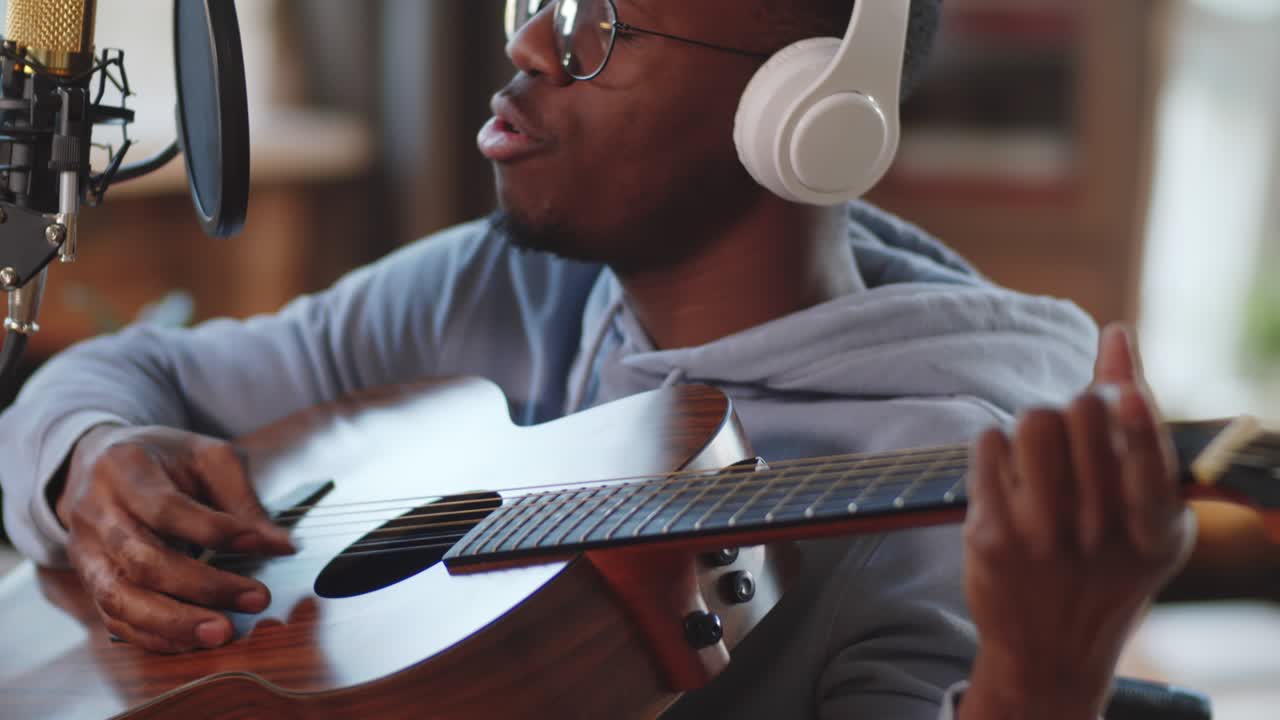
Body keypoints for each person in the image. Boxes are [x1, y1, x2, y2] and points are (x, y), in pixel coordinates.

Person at [0, 1, 1195, 718]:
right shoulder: (497, 285)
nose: (526, 36)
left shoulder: (924, 493)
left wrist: (1040, 684)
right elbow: (118, 379)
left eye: (600, 21)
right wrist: (92, 465)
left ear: (806, 109)